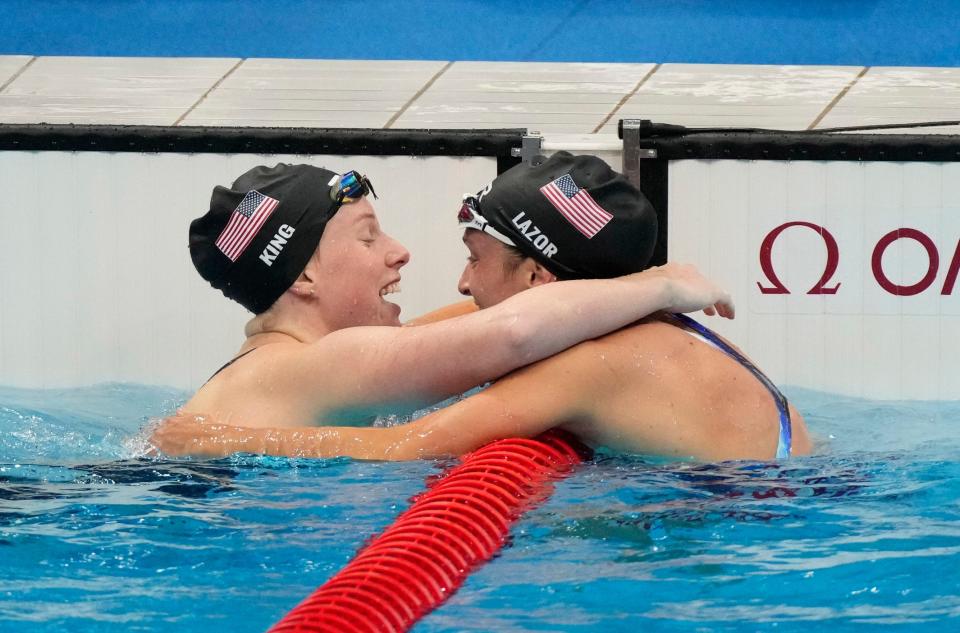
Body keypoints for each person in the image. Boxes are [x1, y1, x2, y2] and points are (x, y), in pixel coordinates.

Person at [153, 153, 809, 462]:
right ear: (305, 276)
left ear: (537, 274)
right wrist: (659, 282)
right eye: (368, 235)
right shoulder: (311, 363)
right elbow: (507, 328)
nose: (460, 285)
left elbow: (508, 329)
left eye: (474, 258)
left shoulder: (587, 359)